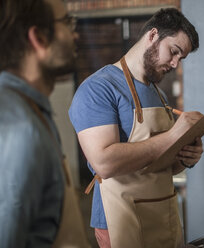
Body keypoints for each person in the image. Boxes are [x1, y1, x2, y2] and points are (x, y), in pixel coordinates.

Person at [69, 8, 203, 248]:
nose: (175, 64)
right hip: (120, 219)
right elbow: (104, 163)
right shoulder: (99, 89)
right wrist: (173, 135)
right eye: (173, 52)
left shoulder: (158, 94)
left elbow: (160, 167)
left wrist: (185, 158)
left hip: (163, 213)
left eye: (180, 58)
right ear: (152, 36)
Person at [0, 0, 89, 247]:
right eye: (67, 22)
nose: (75, 34)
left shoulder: (32, 109)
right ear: (38, 38)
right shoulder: (20, 128)